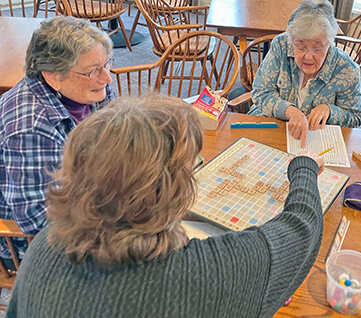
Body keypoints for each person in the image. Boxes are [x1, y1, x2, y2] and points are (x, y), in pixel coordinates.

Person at [8, 96, 325, 317]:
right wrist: (304, 168)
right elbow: (302, 228)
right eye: (190, 169)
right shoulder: (213, 273)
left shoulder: (43, 248)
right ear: (167, 191)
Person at [0, 16, 114, 265]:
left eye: (106, 64)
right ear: (53, 75)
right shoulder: (30, 127)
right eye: (93, 71)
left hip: (86, 194)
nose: (107, 78)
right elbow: (38, 220)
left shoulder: (88, 89)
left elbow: (115, 137)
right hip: (35, 245)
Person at [248, 0, 361, 148]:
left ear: (329, 43)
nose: (308, 57)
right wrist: (290, 111)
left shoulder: (347, 69)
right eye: (301, 47)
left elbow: (355, 117)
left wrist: (329, 110)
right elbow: (260, 92)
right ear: (292, 41)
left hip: (314, 142)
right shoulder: (280, 46)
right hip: (272, 127)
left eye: (317, 48)